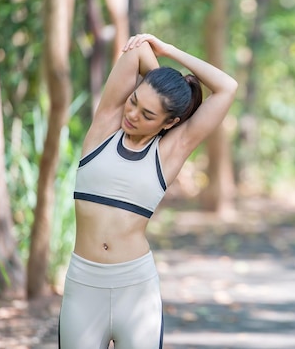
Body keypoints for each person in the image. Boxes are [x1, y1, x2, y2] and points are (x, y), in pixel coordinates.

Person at [58, 33, 238, 349]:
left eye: (148, 115)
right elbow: (138, 48)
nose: (132, 115)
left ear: (171, 123)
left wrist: (172, 50)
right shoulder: (104, 128)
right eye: (134, 102)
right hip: (83, 287)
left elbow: (227, 87)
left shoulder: (170, 152)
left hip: (136, 290)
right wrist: (162, 79)